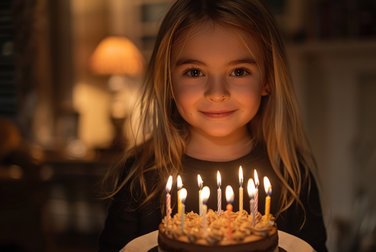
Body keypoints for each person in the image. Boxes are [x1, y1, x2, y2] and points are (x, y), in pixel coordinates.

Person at [98, 0, 327, 251]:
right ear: (168, 82)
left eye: (239, 71)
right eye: (195, 72)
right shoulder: (140, 176)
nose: (217, 93)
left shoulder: (292, 176)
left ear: (268, 80)